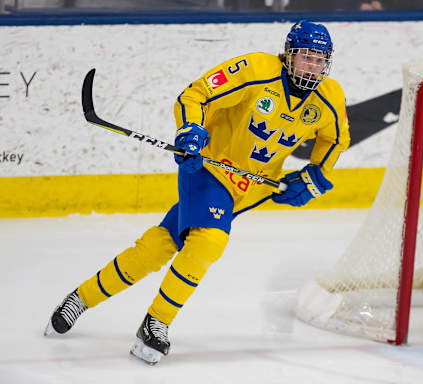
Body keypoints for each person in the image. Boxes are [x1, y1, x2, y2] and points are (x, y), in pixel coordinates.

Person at [44, 20, 350, 365]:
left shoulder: (330, 96)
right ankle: (156, 322)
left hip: (251, 187)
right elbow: (196, 94)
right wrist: (191, 130)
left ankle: (81, 298)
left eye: (319, 59)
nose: (312, 66)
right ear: (288, 55)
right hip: (208, 167)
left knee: (158, 246)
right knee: (209, 240)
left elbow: (335, 138)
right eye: (305, 57)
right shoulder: (256, 69)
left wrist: (314, 177)